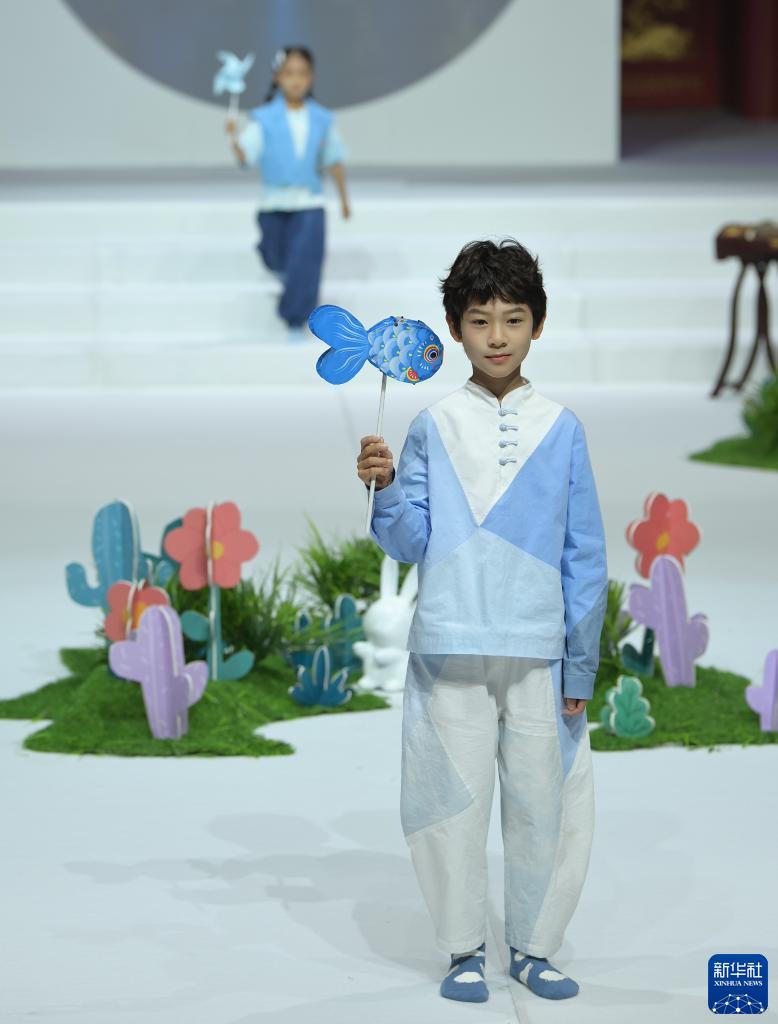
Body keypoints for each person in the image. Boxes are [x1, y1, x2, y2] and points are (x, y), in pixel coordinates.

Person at [356, 239, 608, 1004]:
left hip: (540, 654)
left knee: (546, 805)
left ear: (538, 325)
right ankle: (463, 947)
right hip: (450, 649)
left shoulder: (563, 428)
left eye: (514, 318)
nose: (497, 336)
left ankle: (535, 946)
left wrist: (581, 662)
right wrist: (385, 488)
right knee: (447, 804)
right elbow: (409, 541)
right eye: (479, 320)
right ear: (454, 329)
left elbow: (585, 554)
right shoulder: (431, 424)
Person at [226, 46, 350, 342]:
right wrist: (233, 138)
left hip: (309, 201)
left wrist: (344, 199)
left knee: (307, 260)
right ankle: (286, 277)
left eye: (302, 73)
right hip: (273, 203)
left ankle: (295, 319)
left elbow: (333, 159)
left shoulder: (321, 119)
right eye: (289, 73)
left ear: (311, 77)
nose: (296, 80)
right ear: (277, 77)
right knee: (275, 255)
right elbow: (246, 156)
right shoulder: (263, 119)